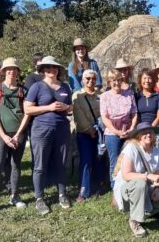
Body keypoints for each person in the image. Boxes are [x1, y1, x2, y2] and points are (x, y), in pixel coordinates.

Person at [24, 56, 72, 215]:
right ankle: (39, 198)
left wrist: (66, 107)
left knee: (62, 162)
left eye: (54, 68)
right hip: (42, 129)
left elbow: (70, 108)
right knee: (40, 165)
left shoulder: (65, 86)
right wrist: (49, 107)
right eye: (48, 68)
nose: (51, 70)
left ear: (58, 69)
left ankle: (62, 194)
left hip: (62, 129)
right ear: (43, 70)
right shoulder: (37, 87)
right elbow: (28, 110)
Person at [0, 58, 30, 217]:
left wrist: (18, 134)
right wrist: (3, 136)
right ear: (4, 71)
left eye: (14, 69)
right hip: (2, 134)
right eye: (8, 69)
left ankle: (14, 195)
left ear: (18, 71)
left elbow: (27, 113)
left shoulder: (23, 90)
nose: (11, 71)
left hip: (19, 134)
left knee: (15, 164)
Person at [113, 122, 159, 238]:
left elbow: (158, 175)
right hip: (128, 188)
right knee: (140, 183)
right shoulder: (131, 148)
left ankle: (141, 212)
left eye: (150, 132)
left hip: (146, 188)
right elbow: (126, 175)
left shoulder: (155, 151)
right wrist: (147, 176)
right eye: (144, 133)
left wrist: (156, 189)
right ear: (138, 136)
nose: (148, 134)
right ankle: (135, 220)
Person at [100, 69, 138, 188]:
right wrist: (116, 131)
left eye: (118, 80)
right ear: (109, 82)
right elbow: (104, 117)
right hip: (112, 132)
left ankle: (129, 184)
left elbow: (134, 113)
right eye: (113, 80)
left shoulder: (129, 94)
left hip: (128, 131)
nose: (116, 83)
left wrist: (131, 128)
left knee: (130, 158)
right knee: (115, 160)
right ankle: (115, 187)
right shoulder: (105, 96)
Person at [72, 69, 105, 202]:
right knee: (85, 161)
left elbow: (104, 112)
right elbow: (78, 114)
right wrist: (88, 128)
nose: (90, 81)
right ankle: (84, 190)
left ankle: (97, 185)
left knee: (99, 158)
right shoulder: (77, 95)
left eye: (93, 78)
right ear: (82, 80)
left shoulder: (100, 96)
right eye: (88, 79)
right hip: (84, 133)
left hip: (99, 133)